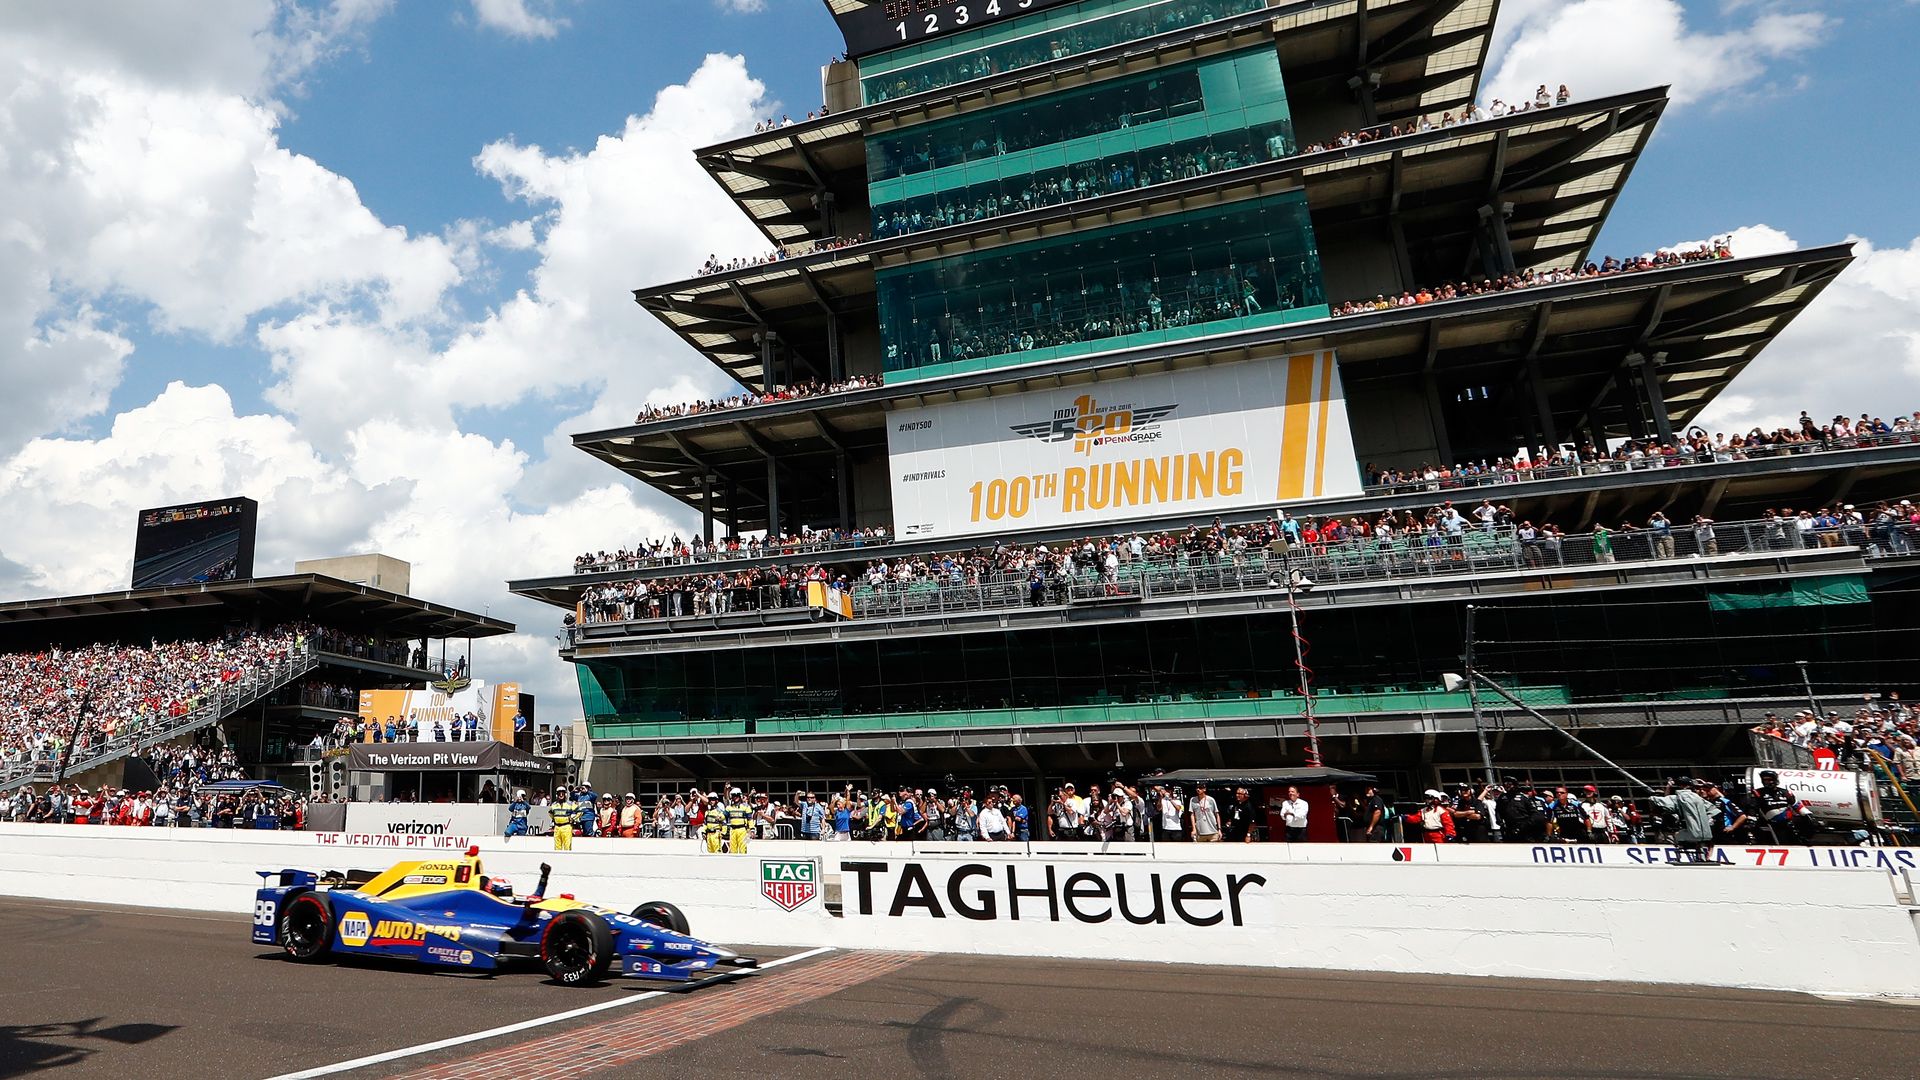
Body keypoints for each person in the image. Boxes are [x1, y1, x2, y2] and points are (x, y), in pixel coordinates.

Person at [1650, 777, 1718, 861]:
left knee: (1678, 835)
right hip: (1707, 834)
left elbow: (1662, 802)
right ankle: (1702, 857)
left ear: (1680, 785)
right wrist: (1706, 820)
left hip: (1692, 833)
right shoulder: (1698, 798)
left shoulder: (1678, 797)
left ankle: (1679, 857)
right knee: (1696, 838)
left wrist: (1653, 797)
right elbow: (1714, 810)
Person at [724, 789, 752, 854]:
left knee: (743, 850)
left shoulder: (745, 807)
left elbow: (750, 819)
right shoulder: (729, 808)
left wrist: (752, 829)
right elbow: (723, 816)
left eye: (737, 795)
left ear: (740, 796)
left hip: (742, 830)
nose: (735, 797)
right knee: (733, 851)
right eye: (734, 796)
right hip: (733, 830)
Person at [550, 787, 577, 851]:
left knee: (567, 847)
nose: (561, 795)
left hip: (566, 827)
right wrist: (555, 819)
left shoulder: (570, 804)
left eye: (562, 793)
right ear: (557, 795)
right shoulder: (553, 805)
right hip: (557, 828)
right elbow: (550, 813)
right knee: (557, 848)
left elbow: (579, 812)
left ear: (565, 794)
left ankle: (567, 860)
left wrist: (573, 818)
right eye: (559, 793)